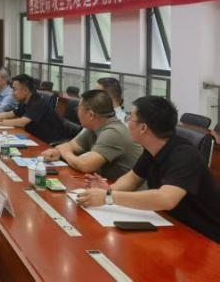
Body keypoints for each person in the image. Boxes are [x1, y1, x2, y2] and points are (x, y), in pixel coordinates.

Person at [77, 96, 220, 243]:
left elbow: (165, 199)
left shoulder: (185, 156)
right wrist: (109, 190)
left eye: (130, 118)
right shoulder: (152, 148)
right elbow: (132, 178)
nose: (127, 122)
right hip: (171, 225)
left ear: (143, 128)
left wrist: (108, 197)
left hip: (205, 236)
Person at [41, 90, 142, 180]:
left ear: (90, 115)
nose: (77, 112)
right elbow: (71, 145)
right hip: (106, 184)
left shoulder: (113, 132)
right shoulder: (94, 127)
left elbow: (85, 165)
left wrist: (65, 153)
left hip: (126, 192)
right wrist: (57, 152)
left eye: (78, 109)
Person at [0, 74, 67, 144]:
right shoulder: (25, 101)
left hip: (50, 142)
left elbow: (22, 122)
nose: (12, 93)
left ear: (26, 90)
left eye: (15, 90)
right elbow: (11, 114)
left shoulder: (37, 102)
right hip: (34, 138)